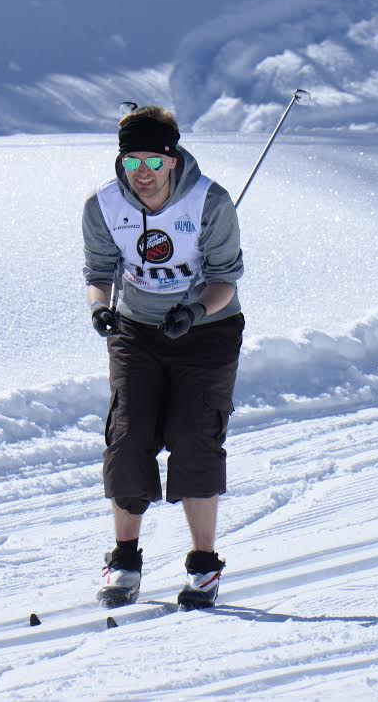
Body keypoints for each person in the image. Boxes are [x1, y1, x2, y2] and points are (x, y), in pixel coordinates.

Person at [81, 105, 245, 610]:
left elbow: (223, 280)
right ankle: (124, 560)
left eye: (154, 161)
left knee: (194, 438)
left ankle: (203, 568)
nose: (143, 174)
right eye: (132, 163)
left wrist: (193, 312)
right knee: (129, 437)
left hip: (208, 330)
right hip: (136, 330)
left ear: (172, 159)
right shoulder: (103, 206)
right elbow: (99, 270)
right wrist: (100, 310)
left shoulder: (210, 202)